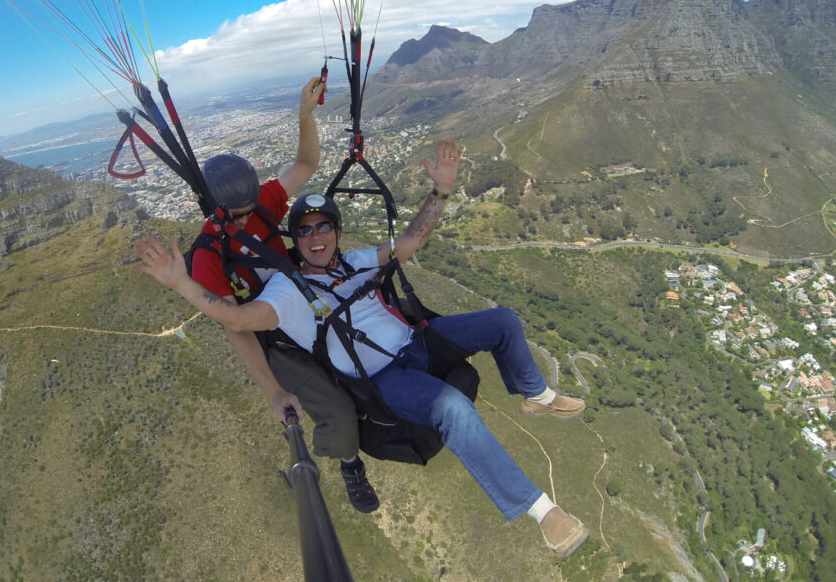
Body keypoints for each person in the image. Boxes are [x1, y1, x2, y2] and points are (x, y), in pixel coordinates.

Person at [135, 140, 590, 557]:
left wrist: (441, 191)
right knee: (452, 409)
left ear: (335, 233)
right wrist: (182, 283)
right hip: (385, 376)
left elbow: (410, 243)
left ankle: (538, 396)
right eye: (306, 230)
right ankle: (542, 512)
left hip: (419, 342)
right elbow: (236, 320)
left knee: (502, 320)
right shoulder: (287, 293)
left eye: (324, 227)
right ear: (296, 240)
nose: (316, 236)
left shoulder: (353, 262)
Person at [187, 76, 380, 513]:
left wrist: (305, 116)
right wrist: (273, 390)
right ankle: (351, 463)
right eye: (234, 216)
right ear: (214, 209)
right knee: (337, 407)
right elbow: (235, 328)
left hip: (308, 300)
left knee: (372, 369)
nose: (243, 219)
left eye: (247, 210)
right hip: (274, 335)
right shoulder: (208, 255)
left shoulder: (261, 204)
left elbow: (306, 165)